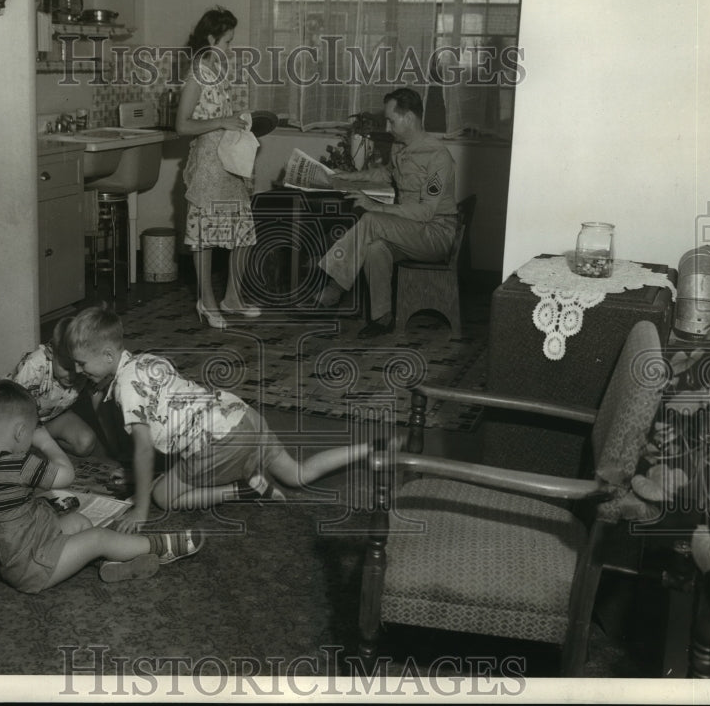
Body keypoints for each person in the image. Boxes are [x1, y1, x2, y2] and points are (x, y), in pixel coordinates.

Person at [66, 304, 372, 533]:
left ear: (108, 356)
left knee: (163, 495)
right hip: (241, 416)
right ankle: (370, 449)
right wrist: (136, 477)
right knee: (296, 474)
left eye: (81, 364)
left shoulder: (124, 389)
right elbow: (172, 427)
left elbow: (145, 449)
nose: (79, 371)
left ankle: (242, 490)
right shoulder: (147, 360)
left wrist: (140, 510)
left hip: (217, 443)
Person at [0, 379, 204, 594]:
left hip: (20, 555)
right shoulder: (20, 465)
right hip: (35, 567)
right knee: (97, 537)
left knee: (79, 522)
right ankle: (161, 546)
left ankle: (112, 563)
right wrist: (46, 442)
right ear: (20, 432)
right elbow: (67, 475)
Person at [314, 87, 458, 338]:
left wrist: (377, 207)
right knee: (374, 247)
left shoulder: (438, 157)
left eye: (391, 120)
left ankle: (332, 290)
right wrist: (347, 177)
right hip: (410, 232)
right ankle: (382, 318)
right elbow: (385, 174)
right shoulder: (400, 147)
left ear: (409, 118)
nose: (388, 128)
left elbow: (425, 212)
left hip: (435, 234)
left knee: (370, 219)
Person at [176, 6, 260, 330]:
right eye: (227, 41)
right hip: (207, 164)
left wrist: (238, 118)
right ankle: (206, 301)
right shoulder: (196, 72)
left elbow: (218, 113)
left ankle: (232, 298)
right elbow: (182, 125)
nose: (230, 48)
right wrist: (222, 120)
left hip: (227, 160)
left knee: (241, 230)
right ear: (211, 39)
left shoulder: (217, 70)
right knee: (206, 236)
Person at [0, 318, 112, 464]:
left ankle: (35, 443)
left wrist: (115, 444)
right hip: (12, 415)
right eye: (66, 367)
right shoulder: (34, 365)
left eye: (79, 366)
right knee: (3, 452)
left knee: (85, 444)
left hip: (49, 417)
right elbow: (11, 409)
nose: (75, 374)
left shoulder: (83, 368)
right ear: (50, 353)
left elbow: (99, 399)